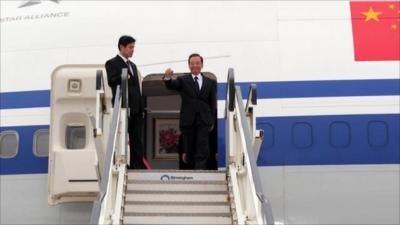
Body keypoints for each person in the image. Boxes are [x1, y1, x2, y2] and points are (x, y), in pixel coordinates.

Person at [163, 53, 217, 169]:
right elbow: (172, 85)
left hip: (204, 120)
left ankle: (200, 172)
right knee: (190, 149)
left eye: (197, 63)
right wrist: (167, 78)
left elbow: (212, 103)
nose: (195, 66)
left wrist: (212, 120)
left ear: (202, 64)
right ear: (189, 65)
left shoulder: (210, 82)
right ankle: (192, 172)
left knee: (203, 148)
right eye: (192, 64)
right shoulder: (183, 80)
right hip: (188, 120)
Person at [105, 35, 145, 169]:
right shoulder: (112, 63)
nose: (133, 50)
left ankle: (137, 165)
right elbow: (111, 81)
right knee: (121, 137)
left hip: (136, 109)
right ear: (122, 47)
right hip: (123, 107)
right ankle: (120, 164)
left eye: (133, 47)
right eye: (130, 47)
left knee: (137, 139)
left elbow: (137, 88)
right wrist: (124, 77)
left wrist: (141, 106)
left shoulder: (132, 65)